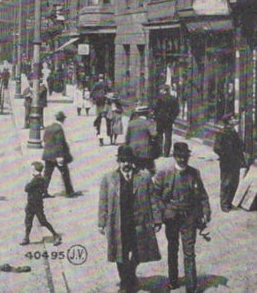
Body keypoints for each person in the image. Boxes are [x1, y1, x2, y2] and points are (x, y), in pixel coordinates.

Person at [98, 145, 162, 293]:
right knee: (120, 253)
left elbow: (153, 199)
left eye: (128, 161)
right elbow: (103, 201)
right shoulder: (108, 179)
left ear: (132, 162)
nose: (125, 164)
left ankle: (130, 274)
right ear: (118, 162)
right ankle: (125, 283)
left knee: (139, 252)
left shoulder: (144, 177)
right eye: (122, 161)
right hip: (118, 223)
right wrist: (101, 222)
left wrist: (157, 219)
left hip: (139, 223)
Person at [153, 142, 211, 293]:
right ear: (174, 156)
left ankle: (191, 287)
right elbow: (155, 196)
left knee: (189, 252)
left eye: (185, 157)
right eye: (179, 157)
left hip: (189, 217)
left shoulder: (194, 173)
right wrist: (162, 214)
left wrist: (206, 212)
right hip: (171, 218)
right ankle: (173, 281)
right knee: (173, 248)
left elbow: (203, 195)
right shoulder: (164, 173)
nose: (182, 160)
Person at [213, 113, 249, 212]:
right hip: (227, 162)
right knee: (226, 182)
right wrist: (225, 156)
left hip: (235, 162)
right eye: (233, 119)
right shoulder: (222, 133)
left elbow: (239, 147)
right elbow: (216, 148)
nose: (235, 120)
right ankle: (224, 204)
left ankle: (229, 202)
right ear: (228, 121)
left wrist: (242, 159)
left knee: (234, 182)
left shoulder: (234, 132)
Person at [21, 161, 62, 246]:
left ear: (35, 170)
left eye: (32, 169)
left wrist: (29, 184)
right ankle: (26, 238)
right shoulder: (37, 179)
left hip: (37, 205)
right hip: (31, 204)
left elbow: (27, 188)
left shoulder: (38, 179)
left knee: (43, 221)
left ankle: (56, 235)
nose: (31, 171)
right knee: (28, 221)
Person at [42, 110, 76, 198]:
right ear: (62, 119)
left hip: (48, 155)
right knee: (65, 173)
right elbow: (59, 143)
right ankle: (69, 192)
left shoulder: (48, 127)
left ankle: (43, 191)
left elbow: (45, 139)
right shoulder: (59, 129)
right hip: (57, 156)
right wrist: (60, 156)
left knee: (47, 174)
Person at [124, 105, 159, 173]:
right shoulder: (148, 123)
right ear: (146, 113)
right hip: (145, 150)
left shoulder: (131, 123)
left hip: (133, 150)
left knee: (136, 168)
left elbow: (127, 138)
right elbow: (154, 134)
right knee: (150, 170)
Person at [152, 84, 181, 159]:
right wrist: (172, 118)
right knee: (168, 136)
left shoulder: (159, 98)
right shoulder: (173, 99)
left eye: (161, 89)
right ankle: (166, 153)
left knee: (159, 135)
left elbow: (155, 108)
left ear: (164, 90)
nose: (160, 91)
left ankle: (159, 151)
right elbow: (177, 110)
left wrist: (155, 116)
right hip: (169, 120)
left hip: (160, 119)